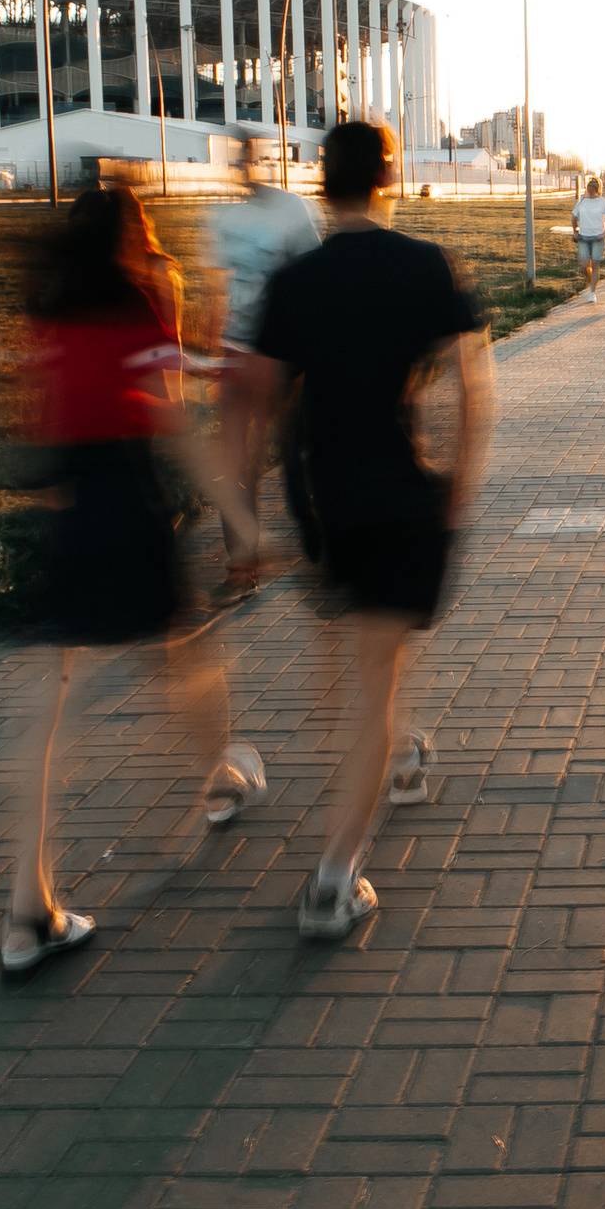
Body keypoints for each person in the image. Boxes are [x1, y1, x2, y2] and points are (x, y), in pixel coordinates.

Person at [1, 186, 269, 975]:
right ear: (127, 238)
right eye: (144, 229)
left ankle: (25, 913)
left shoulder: (48, 312)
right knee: (187, 653)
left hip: (65, 512)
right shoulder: (136, 308)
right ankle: (221, 779)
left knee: (43, 712)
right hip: (126, 501)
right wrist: (242, 519)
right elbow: (173, 422)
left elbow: (30, 415)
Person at [253, 122, 494, 940]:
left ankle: (394, 756)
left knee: (358, 668)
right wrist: (459, 482)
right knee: (376, 685)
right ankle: (334, 877)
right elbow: (473, 385)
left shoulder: (296, 281)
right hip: (400, 499)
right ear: (387, 179)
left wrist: (253, 510)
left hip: (326, 504)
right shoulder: (427, 265)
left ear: (324, 184)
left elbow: (264, 401)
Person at [206, 131, 321, 597]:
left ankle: (317, 541)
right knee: (236, 463)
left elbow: (314, 280)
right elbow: (219, 287)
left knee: (297, 456)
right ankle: (241, 568)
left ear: (268, 161)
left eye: (252, 157)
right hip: (238, 350)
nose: (245, 167)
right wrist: (216, 345)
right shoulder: (223, 215)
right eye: (238, 159)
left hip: (285, 353)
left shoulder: (294, 210)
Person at [571, 178, 605, 301]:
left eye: (594, 186)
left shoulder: (603, 202)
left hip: (597, 237)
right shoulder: (582, 201)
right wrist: (575, 231)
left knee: (595, 263)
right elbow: (574, 217)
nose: (591, 188)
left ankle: (592, 292)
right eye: (589, 185)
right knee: (585, 264)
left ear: (598, 188)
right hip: (583, 237)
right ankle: (591, 282)